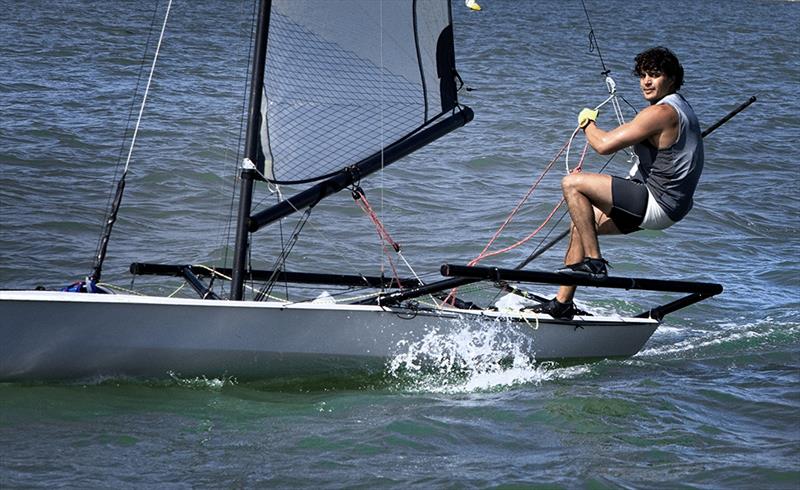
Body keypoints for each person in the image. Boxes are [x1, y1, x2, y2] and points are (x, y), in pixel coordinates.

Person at [534, 46, 705, 320]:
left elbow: (603, 145)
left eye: (655, 75)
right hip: (673, 208)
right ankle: (562, 304)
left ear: (671, 79)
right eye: (643, 75)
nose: (646, 82)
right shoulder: (682, 107)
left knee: (572, 183)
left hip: (655, 203)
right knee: (581, 222)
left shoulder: (661, 113)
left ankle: (595, 263)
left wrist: (587, 122)